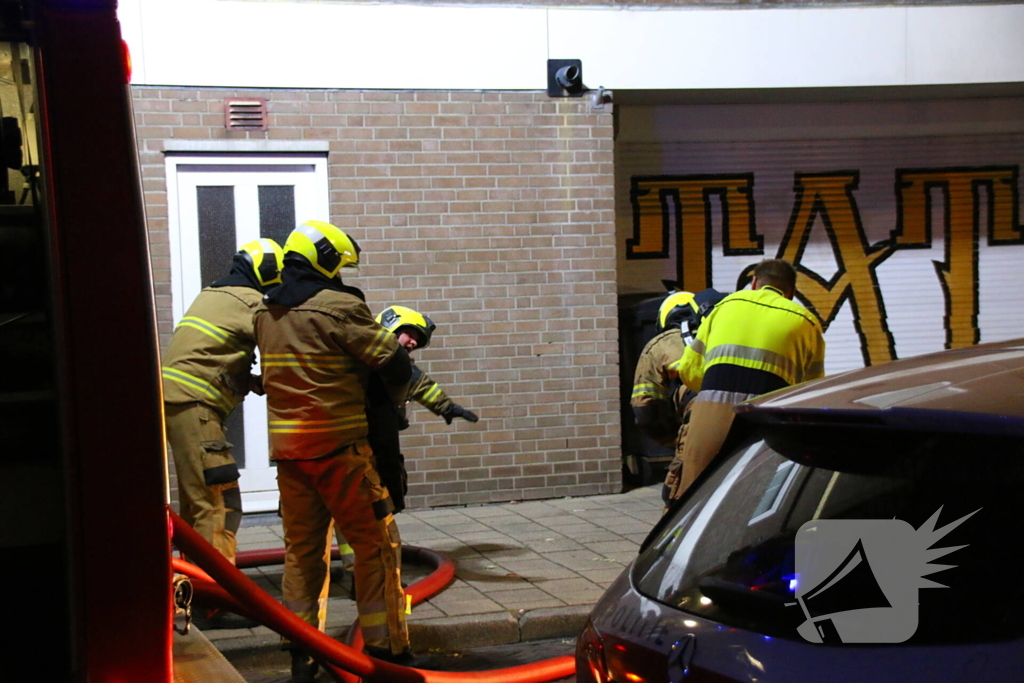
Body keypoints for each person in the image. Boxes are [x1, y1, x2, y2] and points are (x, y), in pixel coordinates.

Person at [253, 220, 414, 682]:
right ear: (325, 262)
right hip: (341, 452)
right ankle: (388, 654)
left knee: (302, 555)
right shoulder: (339, 307)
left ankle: (302, 656)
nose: (342, 277)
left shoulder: (266, 313)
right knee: (375, 549)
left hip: (290, 457)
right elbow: (393, 362)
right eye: (338, 267)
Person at [162, 238, 283, 565]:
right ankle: (216, 599)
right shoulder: (253, 302)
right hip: (196, 407)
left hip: (179, 404)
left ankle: (192, 586)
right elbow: (284, 348)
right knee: (220, 503)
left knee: (196, 504)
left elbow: (209, 356)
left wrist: (250, 381)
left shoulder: (212, 294)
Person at [335, 305, 478, 578]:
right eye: (411, 335)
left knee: (353, 510)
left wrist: (446, 407)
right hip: (357, 445)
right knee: (367, 508)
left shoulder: (388, 360)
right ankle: (369, 573)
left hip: (366, 444)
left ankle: (359, 570)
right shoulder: (366, 356)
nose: (413, 343)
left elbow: (418, 383)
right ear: (392, 327)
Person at [665, 259, 825, 502]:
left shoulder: (726, 306)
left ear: (754, 283)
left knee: (693, 496)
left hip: (711, 417)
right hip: (764, 424)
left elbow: (691, 371)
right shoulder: (806, 322)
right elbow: (809, 391)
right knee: (751, 500)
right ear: (791, 292)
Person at [629, 289, 725, 504]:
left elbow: (645, 409)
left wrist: (673, 439)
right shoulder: (723, 334)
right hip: (746, 419)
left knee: (679, 498)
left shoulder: (659, 345)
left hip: (698, 422)